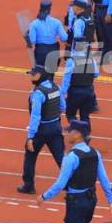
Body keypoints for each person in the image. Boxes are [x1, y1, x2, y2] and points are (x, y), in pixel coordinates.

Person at [16, 65, 66, 194]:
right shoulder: (56, 87)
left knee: (30, 156)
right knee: (61, 158)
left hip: (41, 129)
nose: (31, 76)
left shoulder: (38, 93)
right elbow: (62, 106)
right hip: (55, 127)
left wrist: (31, 136)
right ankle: (71, 186)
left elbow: (35, 116)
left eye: (34, 74)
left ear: (41, 75)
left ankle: (28, 185)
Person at [61, 43, 100, 124]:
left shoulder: (71, 60)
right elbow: (96, 74)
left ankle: (76, 131)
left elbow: (67, 78)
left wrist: (63, 92)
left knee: (71, 113)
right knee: (85, 114)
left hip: (75, 90)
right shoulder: (92, 59)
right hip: (89, 90)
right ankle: (86, 134)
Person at [27, 0, 69, 69]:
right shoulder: (57, 22)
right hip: (53, 51)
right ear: (50, 10)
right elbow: (64, 38)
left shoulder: (34, 23)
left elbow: (32, 40)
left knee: (40, 75)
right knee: (51, 73)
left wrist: (27, 36)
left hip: (40, 51)